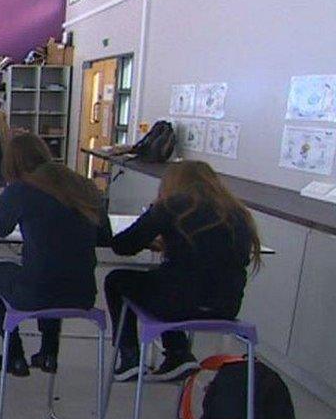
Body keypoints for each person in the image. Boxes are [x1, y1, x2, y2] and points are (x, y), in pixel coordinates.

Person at [107, 161, 261, 382]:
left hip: (175, 303)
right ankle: (178, 353)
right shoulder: (237, 212)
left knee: (117, 281)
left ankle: (130, 358)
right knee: (173, 285)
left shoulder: (170, 206)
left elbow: (123, 246)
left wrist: (154, 228)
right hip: (225, 307)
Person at [0, 134, 111, 375]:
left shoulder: (20, 190)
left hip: (36, 293)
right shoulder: (85, 186)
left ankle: (14, 353)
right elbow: (105, 237)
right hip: (82, 294)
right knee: (54, 269)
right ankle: (49, 353)